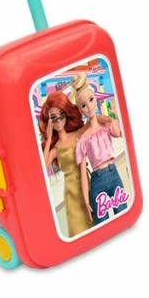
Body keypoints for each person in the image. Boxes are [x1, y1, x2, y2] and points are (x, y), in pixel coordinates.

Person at [73, 74, 129, 225]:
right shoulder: (83, 139)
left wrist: (109, 119)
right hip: (96, 181)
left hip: (113, 174)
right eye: (83, 105)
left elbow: (119, 132)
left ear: (96, 98)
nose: (89, 107)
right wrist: (86, 200)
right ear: (80, 110)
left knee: (122, 217)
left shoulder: (106, 127)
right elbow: (83, 172)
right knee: (102, 224)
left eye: (91, 100)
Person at [39, 91, 95, 238]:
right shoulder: (55, 148)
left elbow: (93, 122)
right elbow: (43, 167)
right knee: (78, 228)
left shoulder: (77, 134)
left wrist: (109, 120)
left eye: (61, 115)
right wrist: (49, 138)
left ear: (67, 114)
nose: (58, 120)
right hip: (71, 193)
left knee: (95, 220)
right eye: (53, 117)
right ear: (49, 122)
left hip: (87, 182)